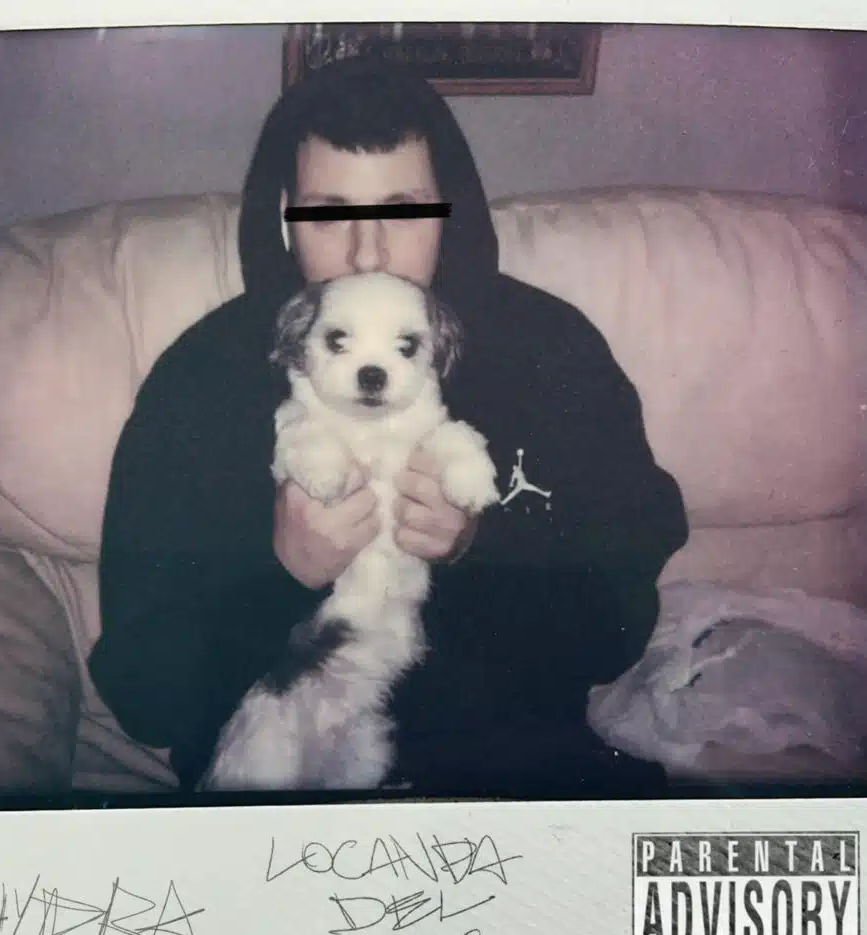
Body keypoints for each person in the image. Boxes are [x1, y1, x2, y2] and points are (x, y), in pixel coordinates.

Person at [87, 57, 689, 798]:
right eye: (328, 212)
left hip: (511, 778)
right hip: (279, 785)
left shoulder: (550, 349)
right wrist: (278, 574)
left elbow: (617, 630)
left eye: (403, 210)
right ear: (284, 216)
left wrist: (482, 544)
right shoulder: (202, 377)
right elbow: (144, 695)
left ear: (449, 210)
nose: (367, 251)